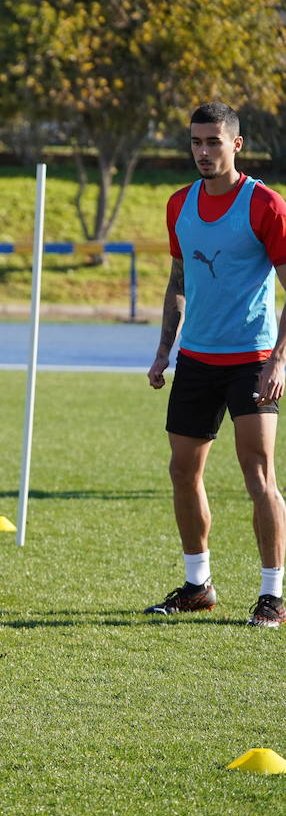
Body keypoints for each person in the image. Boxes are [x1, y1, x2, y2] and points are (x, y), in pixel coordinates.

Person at [144, 102, 286, 628]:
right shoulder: (178, 204)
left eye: (213, 142)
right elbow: (179, 280)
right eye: (196, 143)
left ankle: (272, 595)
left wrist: (278, 360)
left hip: (252, 360)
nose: (203, 152)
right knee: (183, 471)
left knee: (259, 474)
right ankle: (198, 584)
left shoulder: (265, 205)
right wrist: (164, 349)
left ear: (236, 145)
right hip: (196, 359)